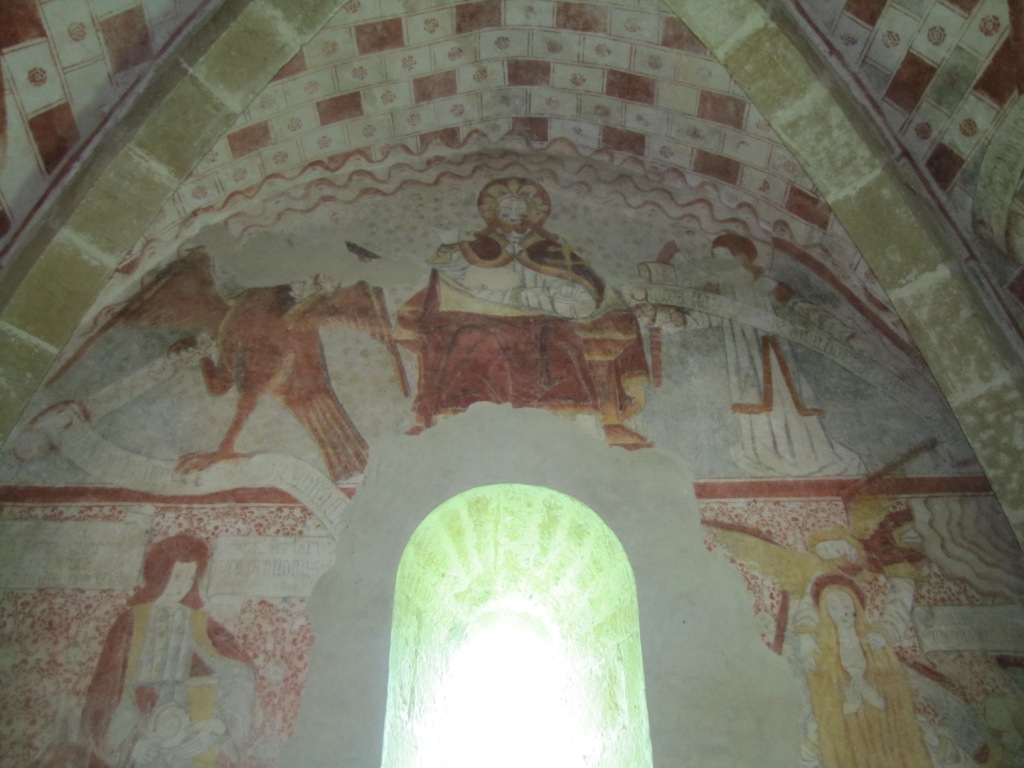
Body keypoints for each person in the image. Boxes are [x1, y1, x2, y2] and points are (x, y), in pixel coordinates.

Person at [397, 177, 650, 447]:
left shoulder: (554, 251)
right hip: (485, 319)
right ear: (493, 214)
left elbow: (584, 287)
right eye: (506, 209)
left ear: (533, 215)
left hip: (546, 319)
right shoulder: (477, 249)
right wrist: (450, 244)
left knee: (563, 336)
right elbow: (456, 275)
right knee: (470, 339)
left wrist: (553, 299)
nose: (513, 215)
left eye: (519, 209)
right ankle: (452, 422)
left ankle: (583, 420)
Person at [675, 232, 862, 476]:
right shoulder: (718, 290)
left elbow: (802, 307)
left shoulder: (763, 283)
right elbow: (704, 317)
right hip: (742, 356)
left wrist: (840, 331)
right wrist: (677, 321)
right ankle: (763, 457)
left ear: (741, 257)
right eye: (715, 257)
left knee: (788, 402)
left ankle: (808, 457)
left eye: (723, 256)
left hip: (773, 353)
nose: (718, 263)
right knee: (754, 405)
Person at [82, 535, 257, 767]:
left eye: (189, 578)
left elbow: (239, 674)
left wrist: (216, 726)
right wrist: (132, 744)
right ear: (160, 576)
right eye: (177, 576)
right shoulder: (130, 622)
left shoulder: (199, 623)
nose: (181, 585)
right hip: (137, 727)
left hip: (187, 731)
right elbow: (108, 690)